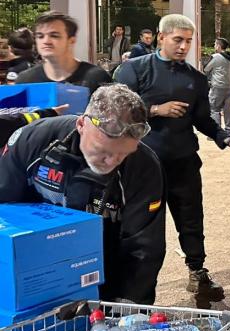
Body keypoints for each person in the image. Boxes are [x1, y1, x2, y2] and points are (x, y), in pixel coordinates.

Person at [114, 13, 230, 305]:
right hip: (142, 167)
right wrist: (155, 110)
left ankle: (197, 273)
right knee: (142, 230)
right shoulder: (132, 70)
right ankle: (135, 290)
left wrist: (228, 138)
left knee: (191, 221)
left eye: (188, 41)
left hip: (184, 163)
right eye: (177, 39)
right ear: (161, 37)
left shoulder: (195, 78)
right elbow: (115, 113)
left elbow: (203, 119)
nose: (183, 46)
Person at [0, 84, 165, 304]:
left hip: (105, 270)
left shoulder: (143, 167)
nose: (112, 161)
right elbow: (5, 206)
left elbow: (144, 248)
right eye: (103, 151)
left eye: (123, 154)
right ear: (81, 124)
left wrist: (128, 307)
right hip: (34, 270)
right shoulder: (35, 140)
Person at [15, 11, 111, 94]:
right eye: (40, 36)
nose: (46, 41)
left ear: (71, 40)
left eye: (54, 36)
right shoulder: (25, 80)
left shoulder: (97, 78)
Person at [204, 38, 230, 135]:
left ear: (219, 46)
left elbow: (206, 69)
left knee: (214, 109)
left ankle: (216, 131)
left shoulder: (216, 57)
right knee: (228, 109)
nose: (214, 46)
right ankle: (228, 129)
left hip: (218, 86)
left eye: (215, 44)